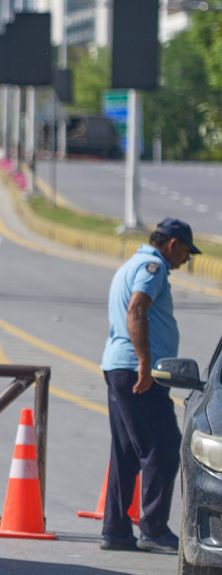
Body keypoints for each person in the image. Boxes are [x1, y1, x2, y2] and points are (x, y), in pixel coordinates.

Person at [99, 218, 198, 553]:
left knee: (126, 452)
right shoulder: (153, 267)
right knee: (164, 447)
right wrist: (144, 363)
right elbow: (136, 309)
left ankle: (116, 529)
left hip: (119, 367)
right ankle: (153, 528)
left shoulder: (133, 262)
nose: (187, 258)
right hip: (137, 371)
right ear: (172, 244)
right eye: (186, 250)